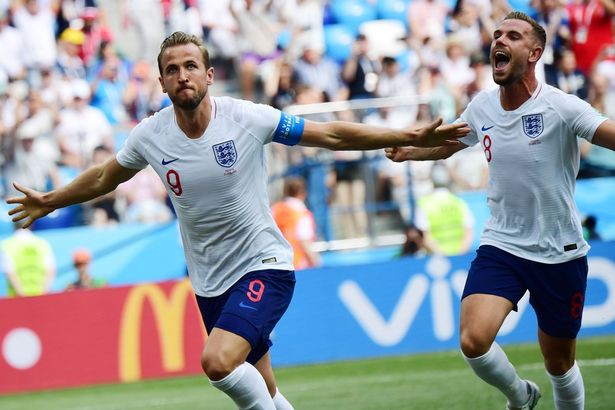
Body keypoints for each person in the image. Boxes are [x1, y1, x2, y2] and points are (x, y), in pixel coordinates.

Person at [5, 31, 468, 409]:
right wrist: (53, 199)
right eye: (171, 70)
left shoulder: (247, 117)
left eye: (190, 66)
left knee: (218, 362)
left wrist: (406, 133)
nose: (182, 75)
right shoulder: (150, 135)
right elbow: (108, 175)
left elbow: (329, 133)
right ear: (162, 85)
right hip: (210, 282)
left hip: (263, 264)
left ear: (209, 75)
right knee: (263, 391)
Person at [385, 12, 615, 410]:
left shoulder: (560, 106)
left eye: (513, 35)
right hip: (503, 244)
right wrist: (411, 153)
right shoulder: (482, 107)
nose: (499, 41)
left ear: (535, 52)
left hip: (558, 250)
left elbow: (607, 133)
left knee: (559, 363)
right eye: (497, 35)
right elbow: (450, 143)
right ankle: (521, 396)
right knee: (473, 341)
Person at [271, 176, 319, 270]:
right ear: (303, 193)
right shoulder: (301, 213)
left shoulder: (275, 210)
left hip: (276, 264)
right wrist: (317, 265)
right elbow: (305, 243)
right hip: (297, 266)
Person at [1, 225, 56, 297]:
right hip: (40, 295)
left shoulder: (7, 244)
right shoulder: (42, 242)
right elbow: (50, 270)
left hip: (16, 297)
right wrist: (43, 292)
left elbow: (10, 272)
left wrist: (22, 295)